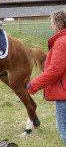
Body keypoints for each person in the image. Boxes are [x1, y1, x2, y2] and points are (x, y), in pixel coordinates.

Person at [27, 10, 66, 146]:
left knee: (63, 131)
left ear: (57, 23)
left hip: (64, 94)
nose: (51, 25)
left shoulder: (62, 42)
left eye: (51, 22)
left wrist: (34, 84)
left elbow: (55, 70)